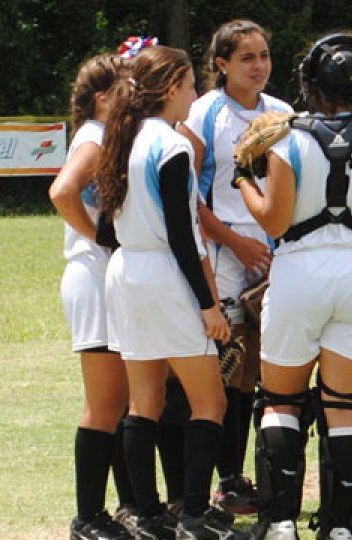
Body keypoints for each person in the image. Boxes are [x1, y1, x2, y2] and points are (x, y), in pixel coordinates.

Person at [237, 32, 352, 540]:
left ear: (312, 82)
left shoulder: (289, 137)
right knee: (345, 403)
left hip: (298, 276)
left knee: (280, 402)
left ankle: (280, 522)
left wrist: (243, 179)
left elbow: (273, 220)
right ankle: (341, 527)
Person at [95, 44, 247, 540]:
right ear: (169, 89)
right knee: (211, 403)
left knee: (144, 403)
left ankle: (148, 515)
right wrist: (209, 306)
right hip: (164, 272)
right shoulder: (172, 144)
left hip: (125, 272)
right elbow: (182, 235)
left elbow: (103, 231)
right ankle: (195, 516)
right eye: (189, 85)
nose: (195, 94)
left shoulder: (122, 137)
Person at [177, 19, 295, 515]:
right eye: (247, 57)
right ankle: (221, 479)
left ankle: (256, 474)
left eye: (264, 55)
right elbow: (184, 195)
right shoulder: (206, 112)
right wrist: (234, 242)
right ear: (221, 63)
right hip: (224, 250)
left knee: (264, 369)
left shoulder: (283, 112)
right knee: (226, 366)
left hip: (274, 251)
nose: (259, 66)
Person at [50, 53, 135, 540]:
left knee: (121, 403)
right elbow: (63, 192)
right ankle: (88, 517)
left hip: (103, 278)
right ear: (103, 99)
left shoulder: (107, 136)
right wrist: (98, 237)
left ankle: (127, 506)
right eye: (126, 87)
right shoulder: (93, 135)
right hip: (92, 277)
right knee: (104, 406)